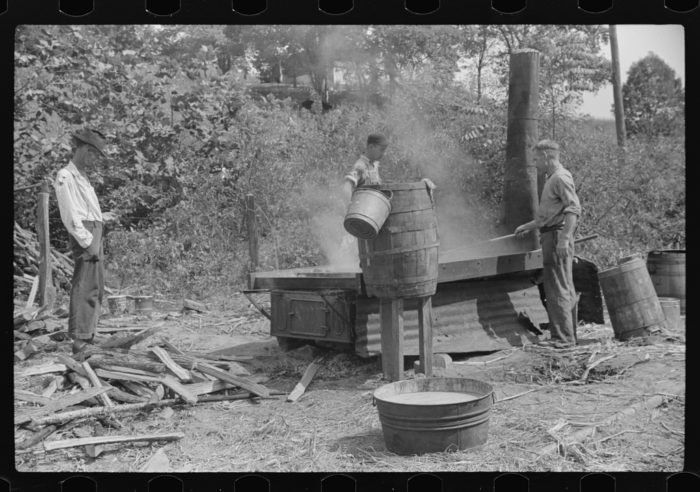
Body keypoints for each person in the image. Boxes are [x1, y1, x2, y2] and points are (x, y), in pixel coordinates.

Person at [514, 139, 581, 348]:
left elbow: (573, 210)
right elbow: (546, 218)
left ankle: (562, 339)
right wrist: (527, 226)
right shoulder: (553, 178)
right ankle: (568, 336)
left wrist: (564, 239)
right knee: (564, 287)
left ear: (546, 156)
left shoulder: (560, 178)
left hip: (556, 237)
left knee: (557, 288)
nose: (535, 163)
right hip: (551, 234)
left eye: (536, 159)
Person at [54, 128, 108, 353]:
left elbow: (87, 208)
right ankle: (79, 339)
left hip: (94, 229)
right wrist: (87, 241)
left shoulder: (83, 176)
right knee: (85, 285)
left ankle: (89, 335)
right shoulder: (65, 176)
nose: (96, 160)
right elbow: (70, 215)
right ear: (85, 150)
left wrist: (102, 221)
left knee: (96, 286)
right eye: (95, 154)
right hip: (85, 233)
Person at [342, 133, 389, 202]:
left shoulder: (374, 165)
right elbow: (347, 186)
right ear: (371, 147)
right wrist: (348, 205)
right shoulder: (360, 166)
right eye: (381, 150)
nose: (383, 153)